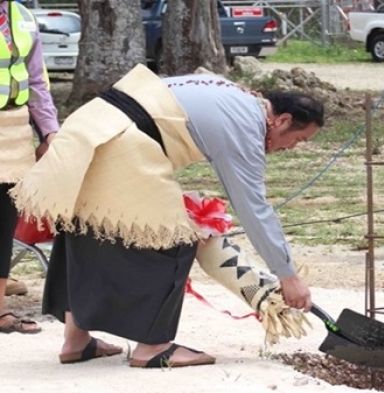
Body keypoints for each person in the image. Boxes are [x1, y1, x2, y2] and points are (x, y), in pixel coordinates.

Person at [10, 64, 324, 367]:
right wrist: (288, 276)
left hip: (93, 125)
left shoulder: (235, 93)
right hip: (123, 140)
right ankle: (154, 347)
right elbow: (254, 208)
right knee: (174, 239)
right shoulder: (246, 126)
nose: (292, 148)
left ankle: (76, 341)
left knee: (87, 226)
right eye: (299, 139)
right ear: (281, 121)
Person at [0, 0, 59, 334]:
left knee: (4, 222)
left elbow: (36, 82)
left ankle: (0, 311)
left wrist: (50, 131)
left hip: (12, 131)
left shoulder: (22, 17)